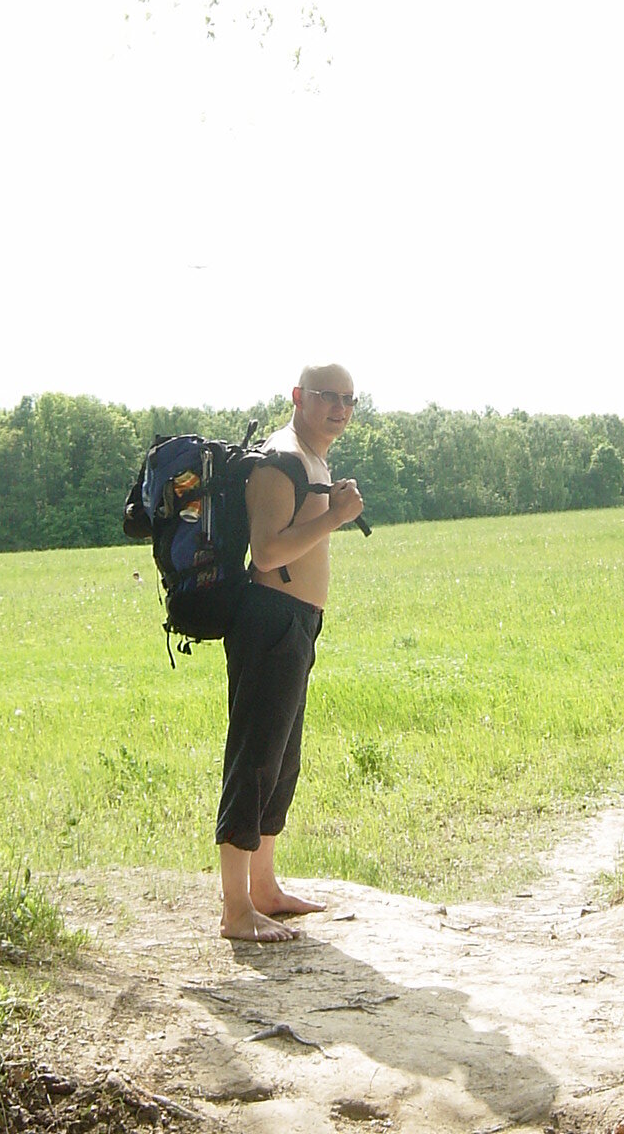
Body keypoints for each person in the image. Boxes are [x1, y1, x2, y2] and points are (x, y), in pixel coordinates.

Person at [216, 363, 364, 942]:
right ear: (299, 397)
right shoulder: (280, 460)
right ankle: (235, 910)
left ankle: (265, 889)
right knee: (254, 760)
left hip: (298, 622)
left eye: (349, 399)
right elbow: (267, 552)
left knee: (281, 760)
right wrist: (336, 518)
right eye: (328, 396)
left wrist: (331, 511)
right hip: (269, 621)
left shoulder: (312, 459)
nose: (340, 408)